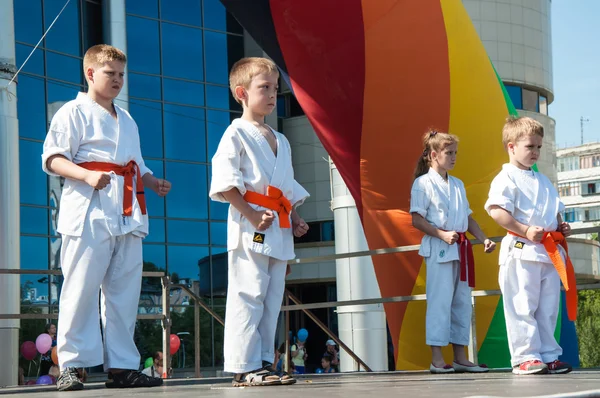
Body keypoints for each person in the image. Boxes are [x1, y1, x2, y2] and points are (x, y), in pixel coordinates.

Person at [41, 44, 171, 391]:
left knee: (124, 294)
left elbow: (136, 164)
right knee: (80, 290)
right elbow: (53, 158)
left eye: (121, 75)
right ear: (90, 73)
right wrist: (85, 176)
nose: (117, 80)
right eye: (110, 73)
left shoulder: (126, 119)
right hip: (88, 211)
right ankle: (71, 365)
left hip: (127, 213)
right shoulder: (72, 112)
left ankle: (122, 367)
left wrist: (152, 181)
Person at [209, 57, 309, 387]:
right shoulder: (235, 133)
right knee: (248, 293)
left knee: (271, 296)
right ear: (242, 92)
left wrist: (294, 217)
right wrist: (250, 213)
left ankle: (265, 361)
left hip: (278, 226)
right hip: (250, 223)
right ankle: (243, 366)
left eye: (275, 89)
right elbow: (226, 180)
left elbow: (286, 188)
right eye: (263, 88)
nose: (271, 95)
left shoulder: (281, 140)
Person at [485, 116, 575, 375]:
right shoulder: (505, 178)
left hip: (548, 253)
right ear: (511, 147)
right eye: (529, 147)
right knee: (522, 305)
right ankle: (525, 357)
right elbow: (496, 211)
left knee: (548, 308)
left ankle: (549, 355)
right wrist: (524, 229)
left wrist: (561, 227)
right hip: (521, 251)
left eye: (538, 147)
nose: (535, 152)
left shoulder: (543, 181)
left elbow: (554, 212)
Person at [410, 130, 496, 374]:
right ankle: (437, 358)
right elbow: (416, 219)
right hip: (440, 247)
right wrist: (441, 234)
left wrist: (484, 238)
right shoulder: (422, 183)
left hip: (461, 247)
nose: (454, 157)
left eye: (455, 153)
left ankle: (461, 356)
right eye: (449, 153)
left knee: (462, 303)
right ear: (434, 155)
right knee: (439, 302)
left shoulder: (457, 184)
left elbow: (467, 218)